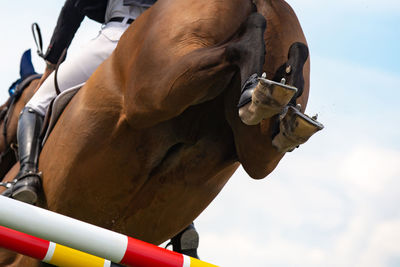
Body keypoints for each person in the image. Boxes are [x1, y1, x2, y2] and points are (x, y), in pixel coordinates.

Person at [2, 0, 156, 203]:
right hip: (155, 46)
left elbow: (72, 10)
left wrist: (51, 64)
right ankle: (184, 222)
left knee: (36, 104)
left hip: (116, 37)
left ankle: (26, 176)